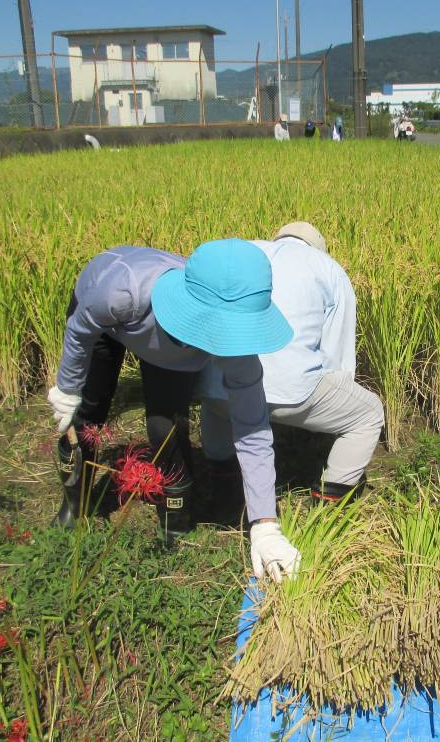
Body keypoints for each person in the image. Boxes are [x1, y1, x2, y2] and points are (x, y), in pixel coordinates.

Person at [47, 239, 301, 582]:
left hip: (169, 344)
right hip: (109, 324)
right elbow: (80, 330)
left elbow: (252, 428)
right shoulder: (122, 291)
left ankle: (175, 521)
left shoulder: (237, 348)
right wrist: (67, 387)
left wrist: (265, 524)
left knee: (166, 426)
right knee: (89, 413)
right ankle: (75, 504)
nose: (227, 343)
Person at [197, 222, 384, 505]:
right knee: (369, 414)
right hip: (289, 392)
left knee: (217, 396)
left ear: (278, 237)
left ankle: (224, 484)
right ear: (318, 247)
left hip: (220, 385)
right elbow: (337, 359)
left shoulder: (248, 251)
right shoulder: (328, 267)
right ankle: (327, 504)